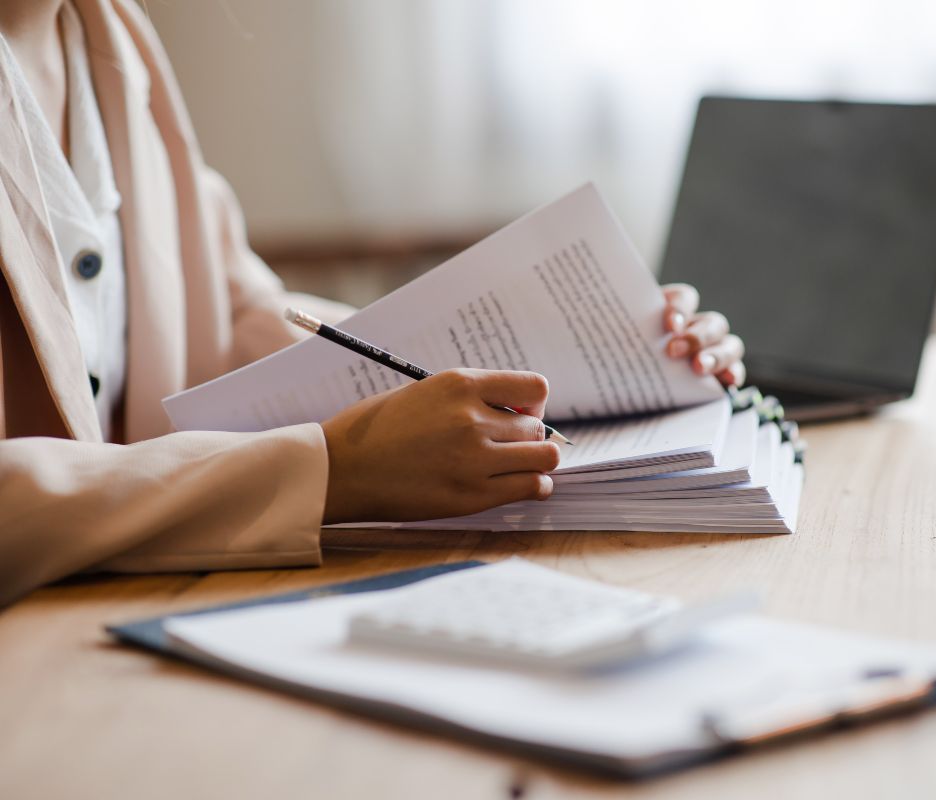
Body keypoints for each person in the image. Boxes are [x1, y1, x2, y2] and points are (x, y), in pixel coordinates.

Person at [0, 0, 747, 606]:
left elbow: (232, 314)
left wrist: (578, 348)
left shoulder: (106, 30)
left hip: (139, 606)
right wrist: (334, 469)